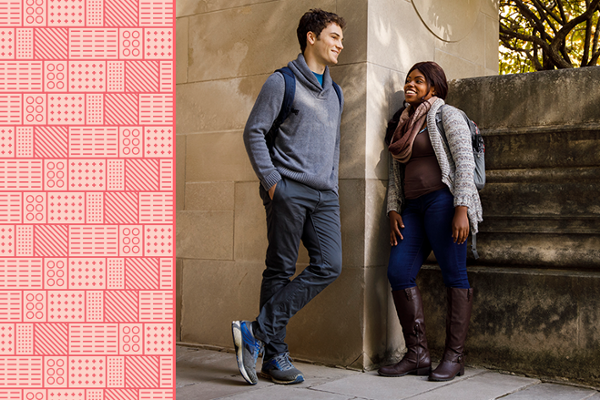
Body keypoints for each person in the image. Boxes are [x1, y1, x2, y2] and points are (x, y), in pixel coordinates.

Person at [232, 9, 346, 386]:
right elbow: (254, 132)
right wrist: (272, 183)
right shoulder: (282, 82)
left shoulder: (336, 92)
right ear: (311, 37)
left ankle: (255, 331)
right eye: (334, 36)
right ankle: (274, 355)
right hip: (288, 189)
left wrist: (332, 183)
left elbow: (334, 145)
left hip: (324, 194)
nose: (340, 44)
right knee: (280, 268)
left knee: (329, 264)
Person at [378, 61, 483, 382]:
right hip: (411, 208)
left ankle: (454, 357)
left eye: (418, 81)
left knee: (454, 273)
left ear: (434, 87)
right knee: (398, 271)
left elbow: (464, 162)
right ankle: (417, 354)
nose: (410, 85)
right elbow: (396, 172)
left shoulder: (446, 115)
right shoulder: (402, 124)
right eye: (408, 80)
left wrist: (461, 208)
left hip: (443, 202)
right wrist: (393, 208)